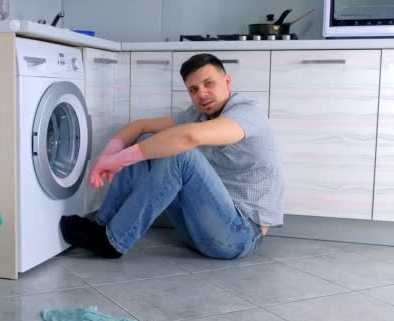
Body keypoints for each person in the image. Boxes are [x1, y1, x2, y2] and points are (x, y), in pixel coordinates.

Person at [60, 53, 283, 260]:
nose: (201, 94)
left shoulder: (247, 113)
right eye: (193, 89)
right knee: (150, 140)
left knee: (178, 152)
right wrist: (106, 156)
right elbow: (140, 126)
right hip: (199, 228)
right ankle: (102, 225)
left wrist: (119, 160)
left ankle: (113, 242)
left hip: (238, 236)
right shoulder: (197, 115)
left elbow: (189, 137)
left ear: (227, 82)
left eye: (209, 83)